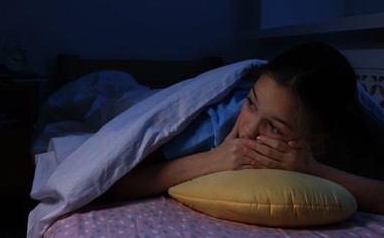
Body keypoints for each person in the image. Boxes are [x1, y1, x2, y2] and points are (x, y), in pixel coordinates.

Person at [104, 42, 384, 214]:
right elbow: (112, 182)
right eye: (251, 103)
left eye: (274, 127)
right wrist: (211, 160)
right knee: (108, 97)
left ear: (317, 140)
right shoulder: (219, 124)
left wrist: (312, 169)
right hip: (137, 102)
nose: (248, 130)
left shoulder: (343, 144)